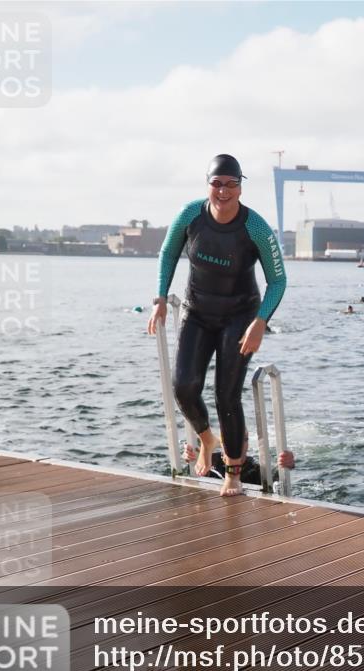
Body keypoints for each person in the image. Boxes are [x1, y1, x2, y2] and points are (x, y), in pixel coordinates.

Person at [147, 154, 287, 497]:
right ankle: (207, 439)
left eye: (231, 184)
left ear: (240, 187)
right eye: (216, 183)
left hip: (240, 317)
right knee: (183, 386)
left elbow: (278, 281)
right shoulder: (190, 215)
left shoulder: (255, 227)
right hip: (197, 311)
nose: (223, 191)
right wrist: (161, 297)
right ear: (208, 184)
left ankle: (233, 472)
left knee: (226, 393)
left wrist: (260, 322)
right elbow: (168, 253)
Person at [182, 438, 295, 485]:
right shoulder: (209, 461)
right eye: (231, 437)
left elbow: (276, 480)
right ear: (221, 442)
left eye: (244, 439)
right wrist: (191, 461)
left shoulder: (256, 470)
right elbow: (194, 478)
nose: (239, 444)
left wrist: (287, 466)